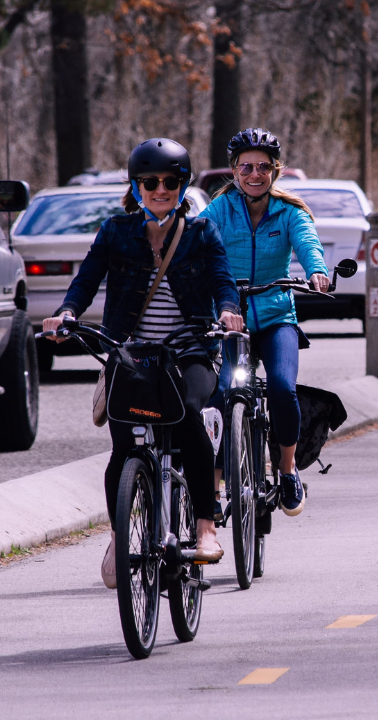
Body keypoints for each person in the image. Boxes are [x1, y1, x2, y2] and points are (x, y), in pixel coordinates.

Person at [42, 138, 244, 588]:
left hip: (189, 349)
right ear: (135, 187)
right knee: (125, 447)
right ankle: (120, 533)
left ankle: (206, 528)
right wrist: (68, 315)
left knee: (189, 414)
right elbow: (86, 280)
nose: (160, 190)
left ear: (182, 185)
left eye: (170, 182)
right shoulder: (116, 231)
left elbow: (222, 280)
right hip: (130, 353)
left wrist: (228, 310)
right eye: (149, 182)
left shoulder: (200, 233)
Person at [201, 128, 329, 517]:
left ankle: (287, 470)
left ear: (276, 170)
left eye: (262, 167)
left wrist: (317, 272)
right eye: (245, 167)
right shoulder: (219, 210)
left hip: (276, 318)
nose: (254, 175)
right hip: (229, 320)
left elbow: (308, 244)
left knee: (282, 389)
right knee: (221, 394)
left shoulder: (290, 212)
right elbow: (196, 244)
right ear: (234, 170)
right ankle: (216, 484)